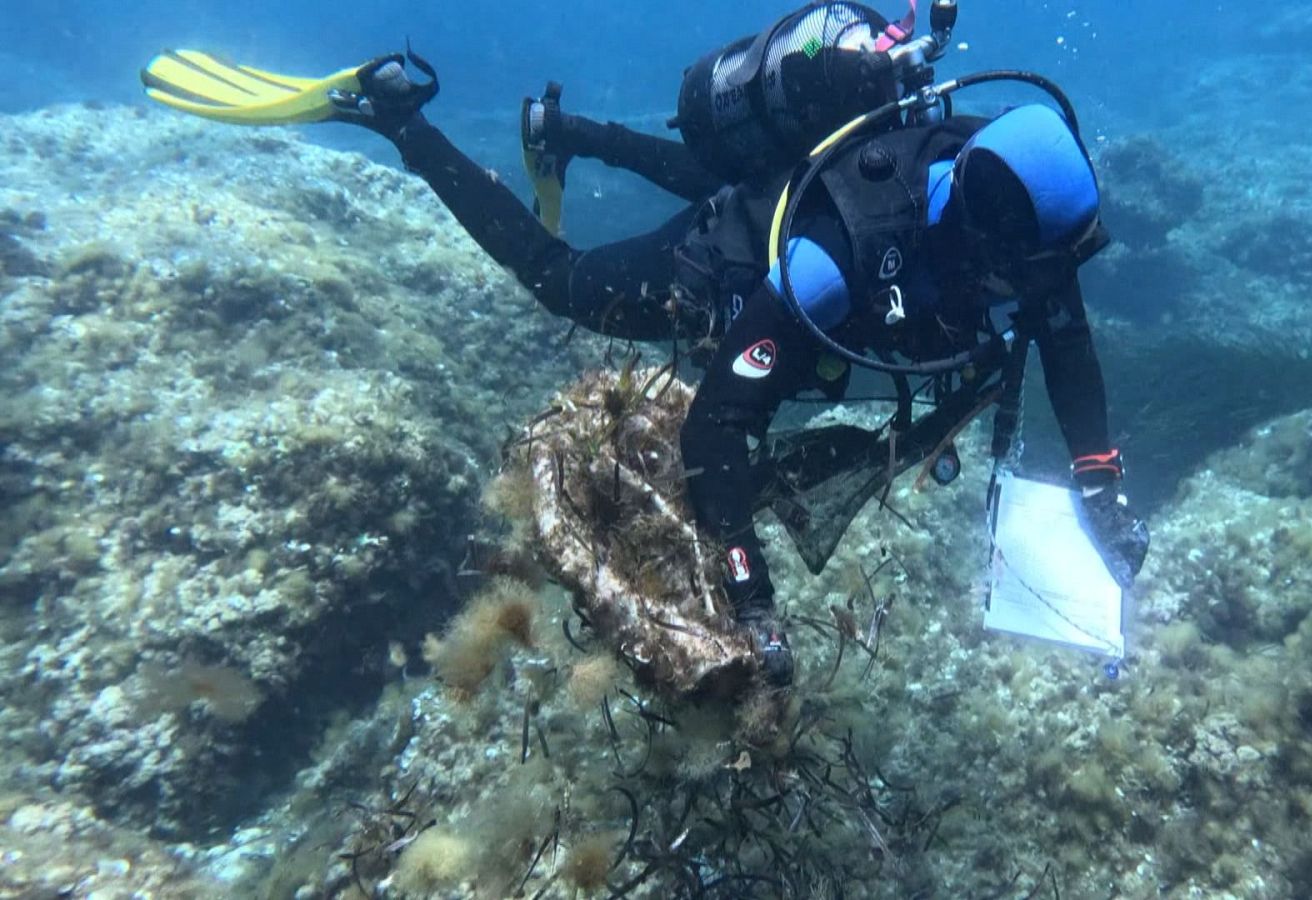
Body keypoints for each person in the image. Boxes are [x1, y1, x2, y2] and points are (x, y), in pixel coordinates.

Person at [140, 2, 1149, 687]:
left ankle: (566, 129)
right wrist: (750, 594)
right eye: (1029, 274)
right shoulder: (838, 263)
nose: (1042, 290)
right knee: (565, 281)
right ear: (976, 236)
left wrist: (1100, 481)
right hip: (726, 266)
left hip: (779, 205)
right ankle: (395, 116)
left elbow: (1065, 342)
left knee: (740, 196)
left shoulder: (1013, 221)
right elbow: (719, 429)